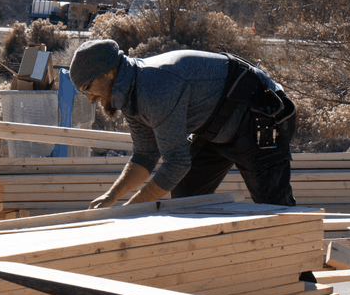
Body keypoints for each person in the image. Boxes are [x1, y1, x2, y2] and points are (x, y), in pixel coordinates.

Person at [68, 39, 297, 209]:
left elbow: (176, 163)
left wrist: (132, 209)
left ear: (108, 73)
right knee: (187, 193)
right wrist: (112, 196)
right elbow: (145, 156)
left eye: (87, 88)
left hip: (260, 116)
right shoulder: (129, 95)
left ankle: (302, 273)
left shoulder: (154, 88)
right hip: (216, 123)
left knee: (273, 206)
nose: (89, 98)